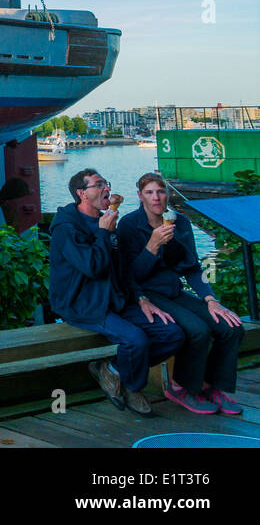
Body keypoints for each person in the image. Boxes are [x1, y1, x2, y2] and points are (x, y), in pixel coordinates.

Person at [49, 168, 183, 415]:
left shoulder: (108, 221)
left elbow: (122, 270)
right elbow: (93, 267)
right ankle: (133, 388)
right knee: (136, 339)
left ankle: (112, 371)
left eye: (106, 183)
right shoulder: (66, 228)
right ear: (82, 193)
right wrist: (103, 232)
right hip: (82, 303)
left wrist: (141, 297)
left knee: (172, 333)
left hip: (114, 298)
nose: (106, 189)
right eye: (99, 185)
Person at [117, 173, 245, 415]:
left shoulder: (180, 223)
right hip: (146, 295)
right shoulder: (129, 225)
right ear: (140, 196)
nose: (156, 198)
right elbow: (130, 276)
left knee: (231, 326)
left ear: (168, 194)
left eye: (161, 191)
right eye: (149, 193)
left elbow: (193, 267)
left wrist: (210, 299)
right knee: (198, 330)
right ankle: (182, 387)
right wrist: (152, 246)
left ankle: (212, 385)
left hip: (173, 291)